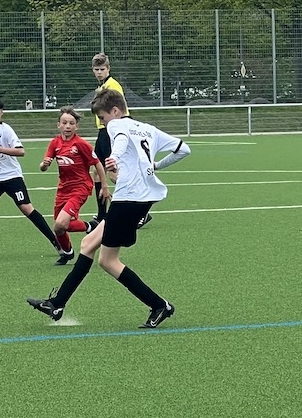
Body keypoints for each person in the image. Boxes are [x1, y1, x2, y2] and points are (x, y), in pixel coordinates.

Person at [27, 89, 190, 327]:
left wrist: (115, 155)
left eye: (102, 117)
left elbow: (121, 138)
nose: (102, 123)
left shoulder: (116, 125)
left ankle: (159, 305)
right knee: (88, 244)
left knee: (108, 261)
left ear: (115, 111)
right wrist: (156, 166)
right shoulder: (148, 129)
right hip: (140, 198)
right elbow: (184, 149)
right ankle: (57, 304)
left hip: (128, 200)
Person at [0, 95, 66, 260]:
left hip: (12, 176)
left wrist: (0, 149)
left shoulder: (6, 130)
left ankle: (56, 242)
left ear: (1, 113)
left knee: (26, 208)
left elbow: (21, 151)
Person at [39, 106, 110, 265]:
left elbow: (98, 163)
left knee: (61, 223)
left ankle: (91, 227)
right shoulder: (55, 143)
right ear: (59, 125)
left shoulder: (80, 144)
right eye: (64, 123)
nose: (68, 126)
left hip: (80, 187)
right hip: (63, 189)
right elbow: (43, 167)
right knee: (59, 228)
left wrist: (104, 186)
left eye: (71, 123)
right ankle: (68, 252)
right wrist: (44, 164)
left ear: (76, 126)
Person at [89, 53, 127, 224]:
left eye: (102, 69)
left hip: (110, 131)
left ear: (108, 69)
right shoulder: (102, 86)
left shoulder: (112, 86)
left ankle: (139, 209)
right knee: (98, 171)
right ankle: (102, 215)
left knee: (112, 173)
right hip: (103, 131)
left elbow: (120, 109)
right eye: (96, 69)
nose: (99, 72)